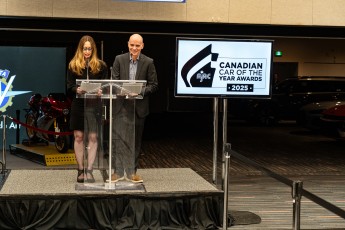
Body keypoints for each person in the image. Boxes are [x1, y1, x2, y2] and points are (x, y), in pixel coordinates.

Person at [110, 33, 158, 183]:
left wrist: (140, 92)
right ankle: (117, 172)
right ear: (128, 44)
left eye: (137, 45)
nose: (134, 48)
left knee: (135, 142)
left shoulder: (149, 62)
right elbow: (114, 81)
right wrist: (121, 91)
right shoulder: (119, 59)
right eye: (132, 45)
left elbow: (154, 85)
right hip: (121, 107)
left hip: (139, 108)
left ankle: (132, 172)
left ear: (142, 46)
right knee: (118, 140)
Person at [67, 35, 108, 183]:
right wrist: (77, 90)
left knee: (92, 137)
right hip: (79, 105)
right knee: (78, 137)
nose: (87, 51)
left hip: (93, 105)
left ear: (93, 49)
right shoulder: (73, 65)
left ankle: (89, 170)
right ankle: (80, 169)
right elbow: (69, 86)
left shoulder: (101, 66)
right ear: (80, 49)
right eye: (85, 48)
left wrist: (100, 91)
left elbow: (105, 85)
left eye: (89, 48)